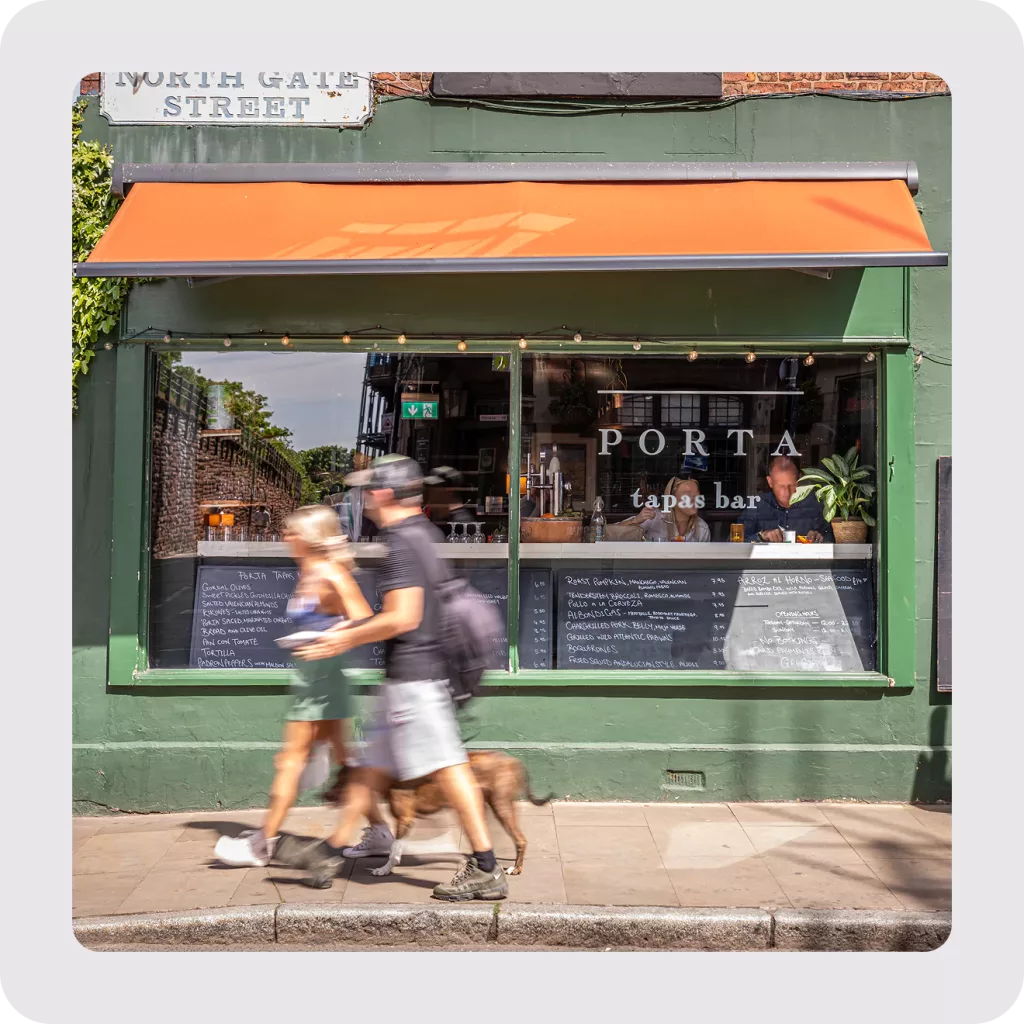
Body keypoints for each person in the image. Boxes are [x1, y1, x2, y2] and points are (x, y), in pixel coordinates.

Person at [293, 454, 509, 900]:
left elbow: (403, 616)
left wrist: (342, 638)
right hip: (409, 677)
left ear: (385, 493)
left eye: (368, 489)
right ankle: (332, 851)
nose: (363, 497)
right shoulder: (424, 533)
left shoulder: (402, 543)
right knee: (371, 770)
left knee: (449, 767)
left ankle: (486, 867)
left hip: (416, 677)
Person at [213, 505, 392, 868]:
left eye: (292, 532)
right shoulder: (309, 570)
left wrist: (328, 640)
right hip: (314, 678)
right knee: (344, 758)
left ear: (310, 538)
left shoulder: (330, 573)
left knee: (290, 761)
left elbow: (364, 619)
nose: (286, 537)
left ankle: (262, 844)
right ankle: (380, 831)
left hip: (322, 681)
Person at [737, 455, 833, 543]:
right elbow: (735, 540)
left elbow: (835, 539)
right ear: (770, 482)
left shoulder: (816, 505)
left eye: (791, 485)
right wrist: (761, 536)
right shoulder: (757, 505)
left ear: (800, 479)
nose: (787, 493)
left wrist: (821, 538)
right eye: (781, 486)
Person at [606, 476, 711, 542]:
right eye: (687, 495)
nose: (694, 499)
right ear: (671, 499)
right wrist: (635, 520)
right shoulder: (654, 518)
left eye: (697, 495)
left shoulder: (702, 528)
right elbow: (609, 534)